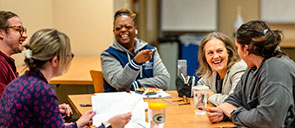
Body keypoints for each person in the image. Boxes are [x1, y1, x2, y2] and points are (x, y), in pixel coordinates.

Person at [0, 29, 132, 127]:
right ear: (55, 61)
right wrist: (109, 125)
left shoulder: (19, 83)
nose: (69, 59)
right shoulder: (42, 90)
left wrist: (77, 124)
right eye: (69, 55)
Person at [206, 20, 295, 127]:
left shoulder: (276, 69)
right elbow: (236, 98)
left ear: (246, 49)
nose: (238, 52)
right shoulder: (252, 67)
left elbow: (268, 120)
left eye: (237, 47)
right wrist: (222, 111)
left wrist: (234, 114)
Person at [101, 8, 170, 92]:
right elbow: (119, 84)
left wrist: (135, 85)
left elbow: (164, 81)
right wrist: (135, 63)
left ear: (136, 29)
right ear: (114, 31)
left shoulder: (150, 51)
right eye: (118, 28)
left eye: (128, 27)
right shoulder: (108, 55)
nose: (123, 30)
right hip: (120, 103)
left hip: (149, 101)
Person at [196, 32, 247, 106]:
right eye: (210, 53)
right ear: (205, 57)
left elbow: (234, 102)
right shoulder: (212, 71)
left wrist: (211, 96)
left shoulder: (238, 68)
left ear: (228, 52)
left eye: (219, 51)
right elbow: (199, 87)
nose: (216, 56)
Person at [0, 11, 28, 97]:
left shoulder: (6, 62)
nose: (25, 35)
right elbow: (6, 107)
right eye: (18, 30)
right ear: (1, 33)